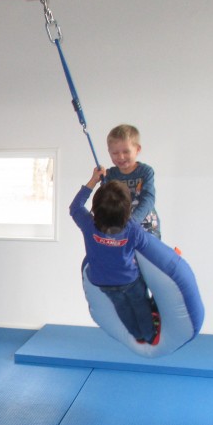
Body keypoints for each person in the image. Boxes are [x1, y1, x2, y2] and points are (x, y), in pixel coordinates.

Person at [70, 166, 160, 345]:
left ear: (95, 207)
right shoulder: (133, 228)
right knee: (141, 306)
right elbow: (148, 249)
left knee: (122, 308)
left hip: (102, 281)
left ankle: (137, 335)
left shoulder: (89, 225)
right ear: (127, 210)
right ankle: (149, 335)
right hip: (129, 280)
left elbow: (75, 207)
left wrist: (93, 181)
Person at [105, 125, 161, 238]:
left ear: (137, 149)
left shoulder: (145, 171)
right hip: (122, 228)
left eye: (126, 152)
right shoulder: (110, 174)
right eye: (115, 153)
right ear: (109, 152)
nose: (121, 157)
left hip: (147, 228)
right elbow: (105, 201)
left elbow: (148, 199)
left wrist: (132, 221)